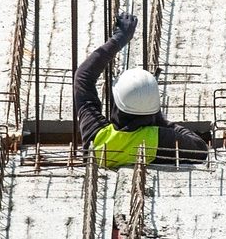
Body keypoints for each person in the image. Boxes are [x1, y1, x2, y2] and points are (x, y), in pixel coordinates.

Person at [74, 12, 209, 168]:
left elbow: (83, 77)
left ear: (117, 102)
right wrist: (159, 119)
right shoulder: (159, 139)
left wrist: (118, 40)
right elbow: (200, 149)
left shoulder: (97, 136)